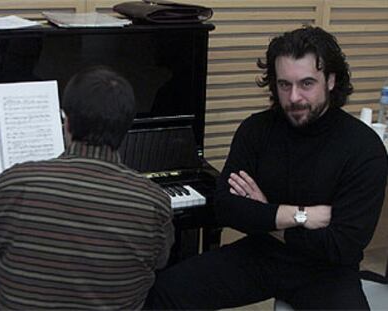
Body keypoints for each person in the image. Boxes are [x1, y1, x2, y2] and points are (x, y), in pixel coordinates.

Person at [144, 26, 388, 310]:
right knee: (165, 291)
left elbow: (341, 246)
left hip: (327, 272)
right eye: (285, 85)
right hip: (261, 256)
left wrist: (265, 214)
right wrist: (298, 215)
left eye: (306, 84)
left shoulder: (363, 147)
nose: (294, 97)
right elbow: (225, 207)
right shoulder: (256, 129)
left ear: (331, 81)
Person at [0, 66, 174, 310]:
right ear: (127, 126)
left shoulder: (17, 181)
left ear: (66, 122)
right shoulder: (154, 200)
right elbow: (160, 260)